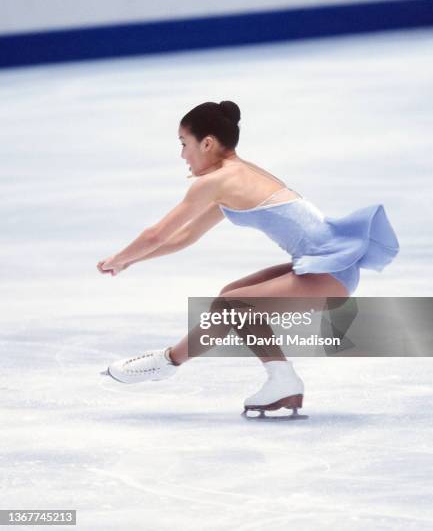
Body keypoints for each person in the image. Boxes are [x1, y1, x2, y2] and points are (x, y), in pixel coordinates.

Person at [97, 100, 400, 417]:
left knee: (235, 305)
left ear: (208, 143)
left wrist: (118, 257)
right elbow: (185, 237)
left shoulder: (219, 181)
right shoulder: (233, 177)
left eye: (184, 144)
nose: (183, 155)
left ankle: (169, 362)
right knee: (230, 297)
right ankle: (266, 377)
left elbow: (157, 234)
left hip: (329, 271)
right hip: (326, 265)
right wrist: (132, 261)